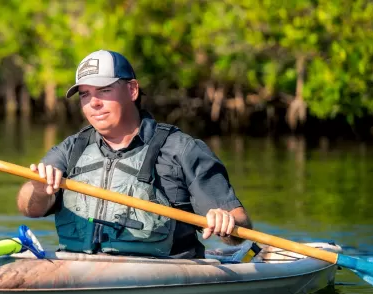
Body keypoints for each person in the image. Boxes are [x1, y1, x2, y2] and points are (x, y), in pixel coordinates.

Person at [15, 50, 252, 259]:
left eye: (104, 90)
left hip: (162, 274)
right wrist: (38, 187)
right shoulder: (71, 148)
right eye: (85, 94)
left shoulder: (182, 150)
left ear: (132, 90)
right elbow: (30, 208)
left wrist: (226, 221)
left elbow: (240, 230)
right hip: (78, 267)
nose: (93, 103)